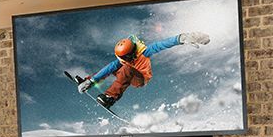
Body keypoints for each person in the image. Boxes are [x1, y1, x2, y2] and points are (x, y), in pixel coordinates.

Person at [78, 32, 210, 107]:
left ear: (132, 52)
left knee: (126, 69)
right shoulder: (122, 60)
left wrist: (180, 38)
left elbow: (161, 44)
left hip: (140, 78)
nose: (127, 59)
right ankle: (88, 82)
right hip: (127, 72)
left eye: (128, 56)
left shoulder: (144, 52)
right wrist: (91, 81)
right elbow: (109, 69)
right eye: (124, 57)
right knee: (112, 67)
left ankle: (110, 98)